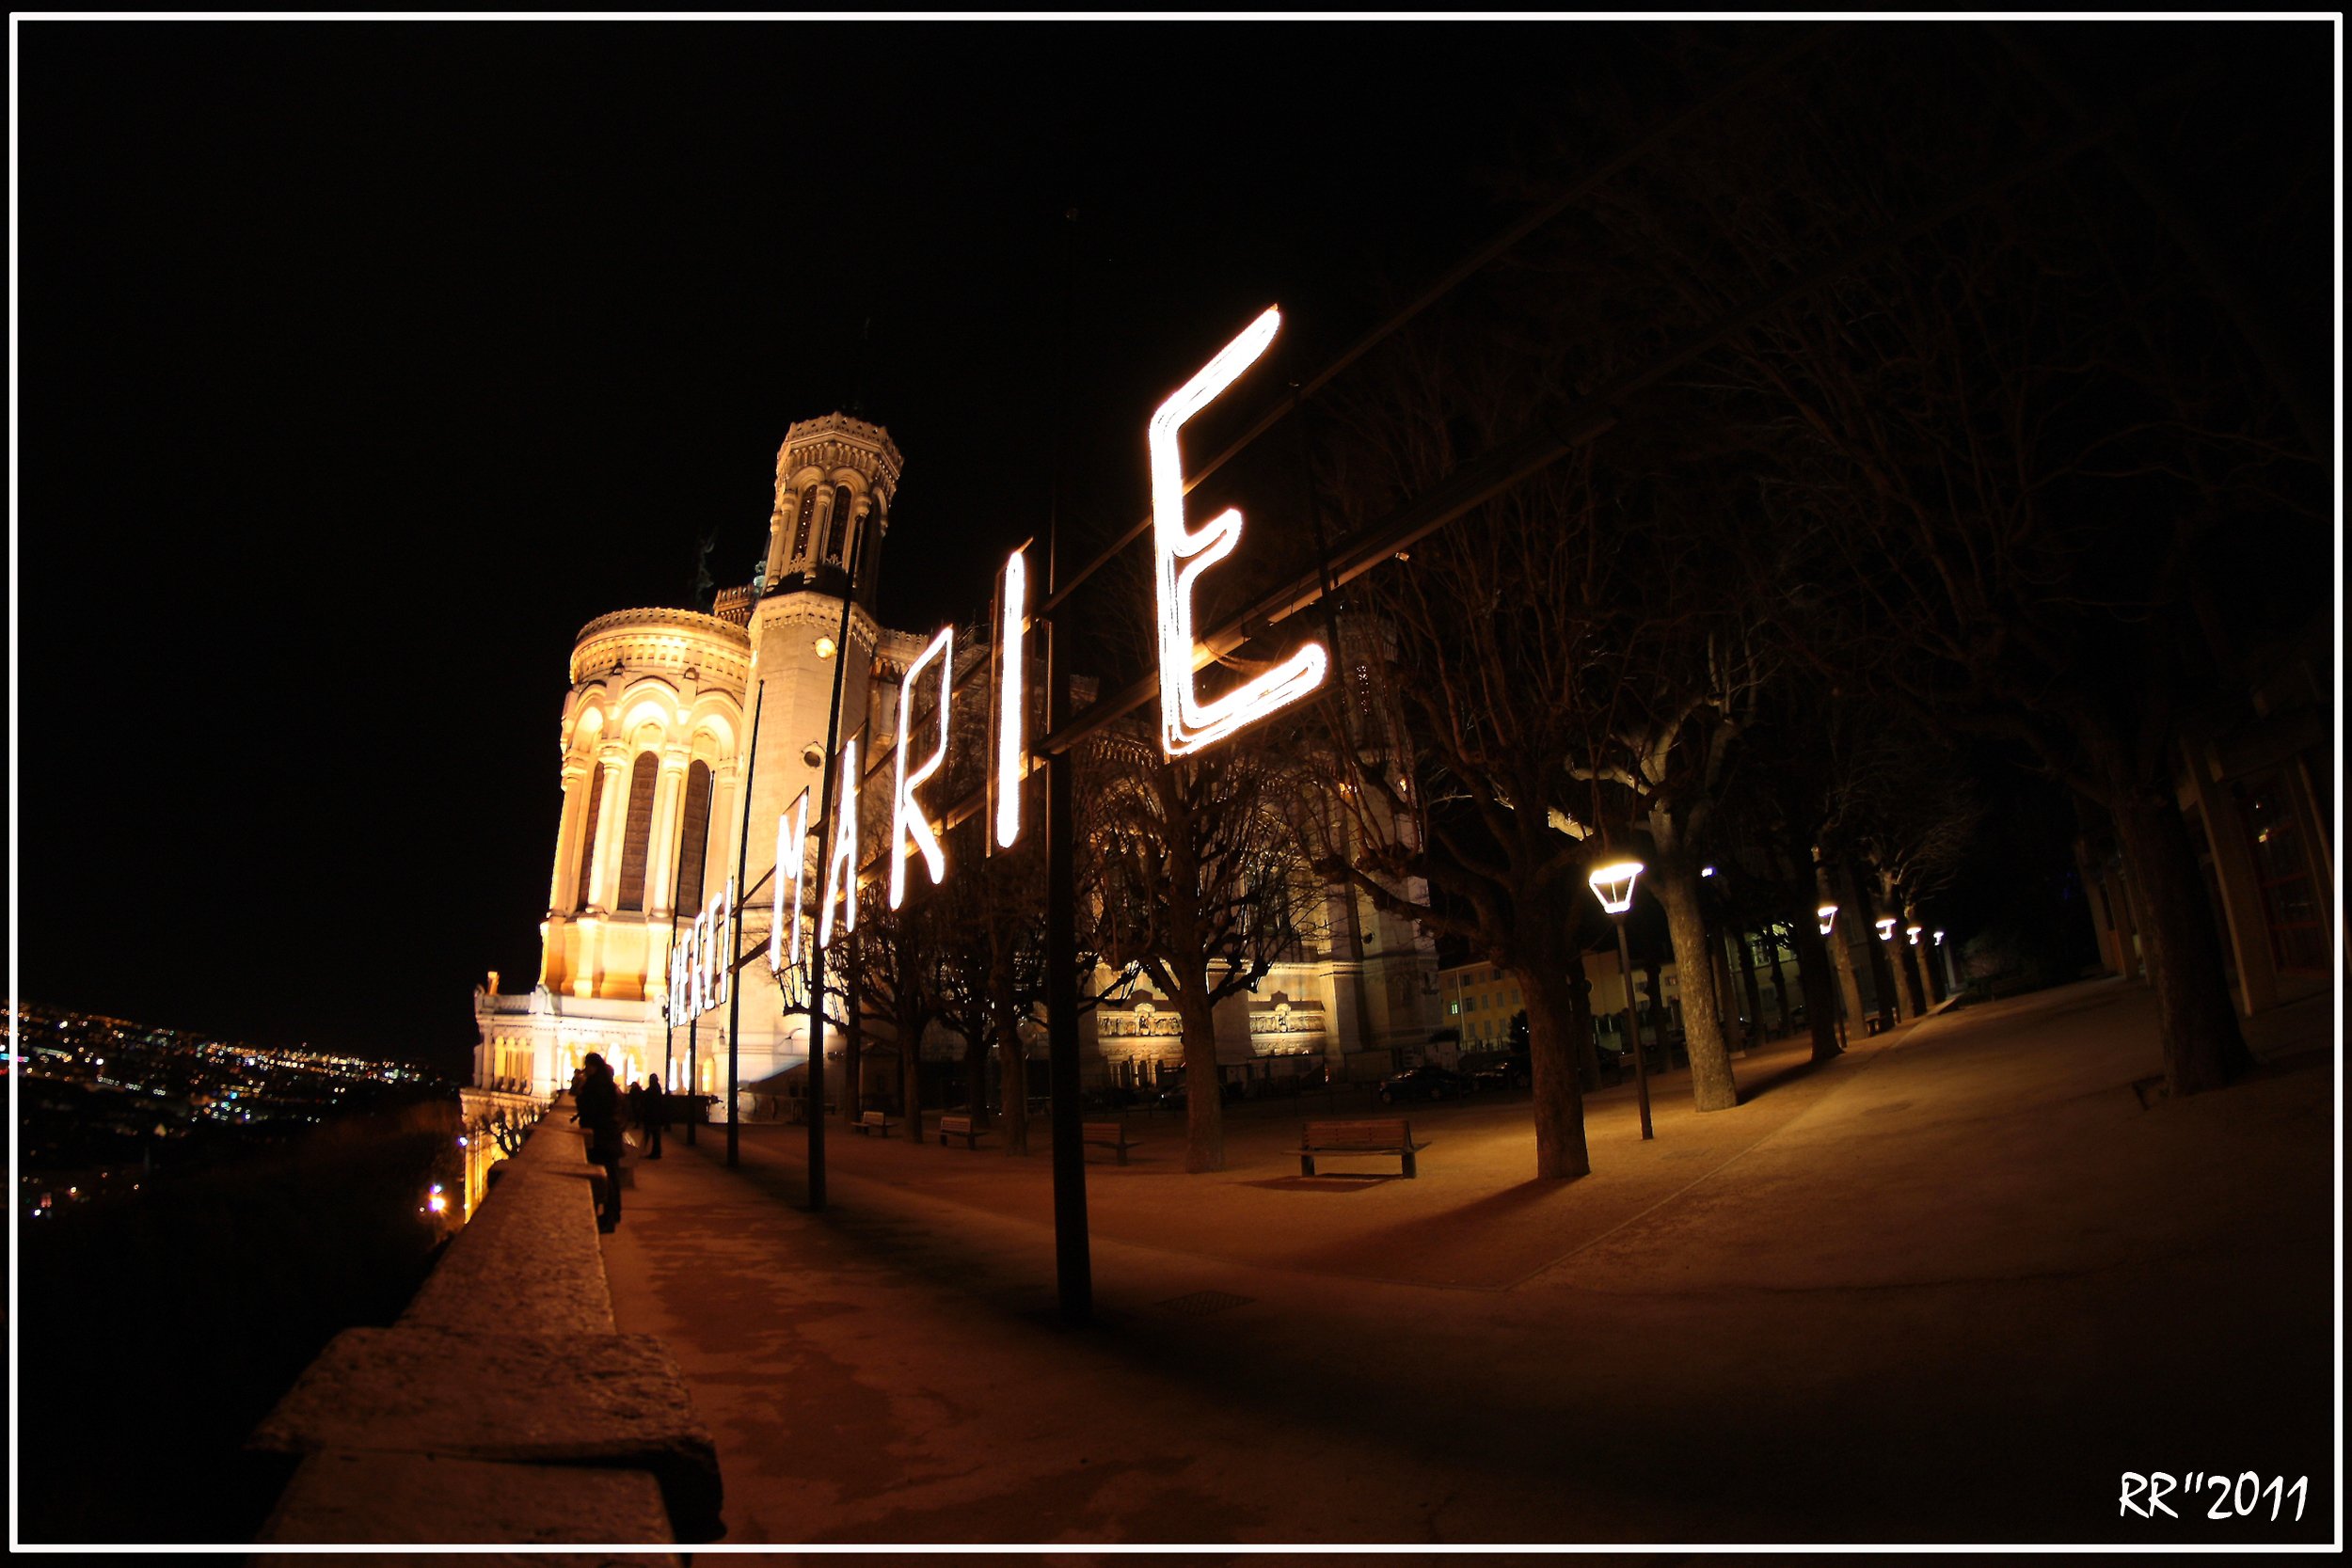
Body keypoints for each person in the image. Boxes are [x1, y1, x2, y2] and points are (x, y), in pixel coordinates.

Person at [574, 1052, 625, 1231]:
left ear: (593, 1067)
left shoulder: (597, 1086)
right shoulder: (608, 1086)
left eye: (587, 1066)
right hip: (611, 1138)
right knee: (612, 1178)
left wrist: (580, 1092)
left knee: (607, 1180)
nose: (585, 1070)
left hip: (603, 1139)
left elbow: (589, 1108)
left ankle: (608, 1220)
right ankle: (612, 1215)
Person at [640, 1074, 666, 1160]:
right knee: (656, 1136)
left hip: (651, 1116)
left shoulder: (651, 1090)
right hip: (656, 1116)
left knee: (652, 1135)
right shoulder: (657, 1090)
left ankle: (653, 1152)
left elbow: (646, 1102)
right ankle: (656, 1152)